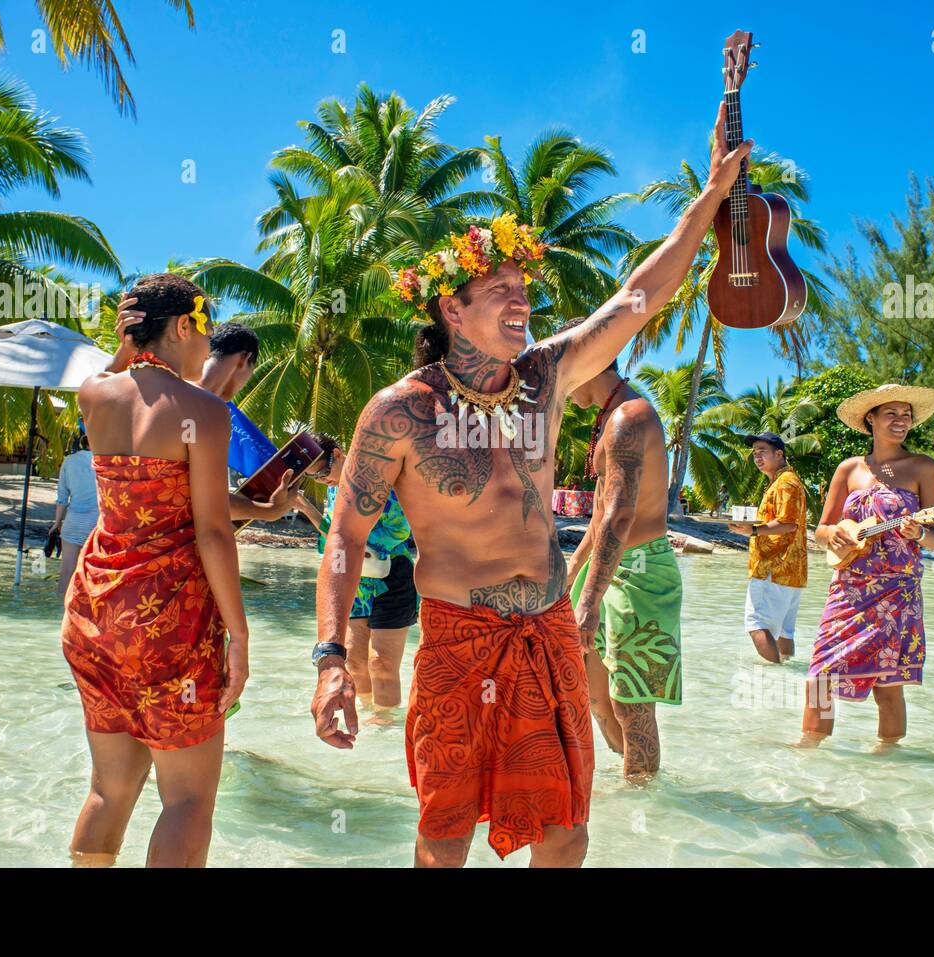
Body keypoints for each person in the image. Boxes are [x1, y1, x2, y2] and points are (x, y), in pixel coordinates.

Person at [309, 102, 751, 867]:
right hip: (456, 641)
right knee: (445, 834)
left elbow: (638, 299)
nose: (523, 301)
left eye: (525, 288)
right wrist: (328, 659)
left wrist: (710, 197)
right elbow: (345, 534)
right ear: (452, 307)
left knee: (567, 829)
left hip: (546, 632)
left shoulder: (545, 377)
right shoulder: (402, 412)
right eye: (501, 291)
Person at [61, 273, 249, 867]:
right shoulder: (204, 411)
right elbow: (214, 532)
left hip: (95, 606)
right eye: (206, 330)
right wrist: (239, 635)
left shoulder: (96, 395)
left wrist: (126, 347)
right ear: (184, 326)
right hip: (170, 619)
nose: (208, 347)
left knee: (107, 789)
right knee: (188, 800)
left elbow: (107, 375)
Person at [563, 322, 682, 782]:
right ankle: (633, 792)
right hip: (606, 566)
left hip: (642, 570)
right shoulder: (610, 416)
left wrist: (589, 602)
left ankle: (645, 808)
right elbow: (599, 512)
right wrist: (574, 571)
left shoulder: (629, 419)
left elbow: (618, 517)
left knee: (631, 705)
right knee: (594, 697)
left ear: (589, 362)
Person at [798, 384, 934, 749]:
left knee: (888, 684)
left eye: (906, 415)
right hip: (848, 588)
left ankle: (888, 759)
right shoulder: (849, 469)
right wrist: (832, 536)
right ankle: (809, 750)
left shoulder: (923, 467)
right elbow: (821, 528)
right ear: (871, 419)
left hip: (897, 591)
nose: (901, 421)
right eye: (891, 414)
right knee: (820, 676)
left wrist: (917, 533)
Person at [109, 304, 296, 523]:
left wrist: (127, 346)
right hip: (169, 543)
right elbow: (204, 500)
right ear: (245, 359)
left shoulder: (161, 388)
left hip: (121, 528)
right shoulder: (209, 410)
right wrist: (268, 510)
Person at [292, 433, 418, 716]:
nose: (322, 480)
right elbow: (332, 538)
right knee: (357, 662)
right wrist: (305, 508)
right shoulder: (335, 491)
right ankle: (366, 725)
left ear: (337, 454)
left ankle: (384, 726)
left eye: (323, 471)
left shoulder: (379, 479)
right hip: (357, 581)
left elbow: (400, 530)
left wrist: (355, 539)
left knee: (381, 664)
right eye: (315, 477)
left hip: (391, 576)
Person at [728, 432, 807, 664]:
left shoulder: (785, 483)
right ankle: (788, 671)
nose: (757, 457)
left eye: (762, 451)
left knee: (756, 625)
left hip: (773, 567)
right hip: (790, 570)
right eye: (754, 453)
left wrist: (752, 531)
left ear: (779, 454)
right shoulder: (783, 481)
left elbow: (788, 523)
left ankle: (775, 674)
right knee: (784, 631)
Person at [51, 432, 99, 601]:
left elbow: (62, 498)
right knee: (94, 574)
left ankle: (59, 611)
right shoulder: (102, 462)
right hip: (96, 523)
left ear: (83, 444)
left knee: (66, 571)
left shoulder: (68, 461)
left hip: (73, 522)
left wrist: (57, 523)